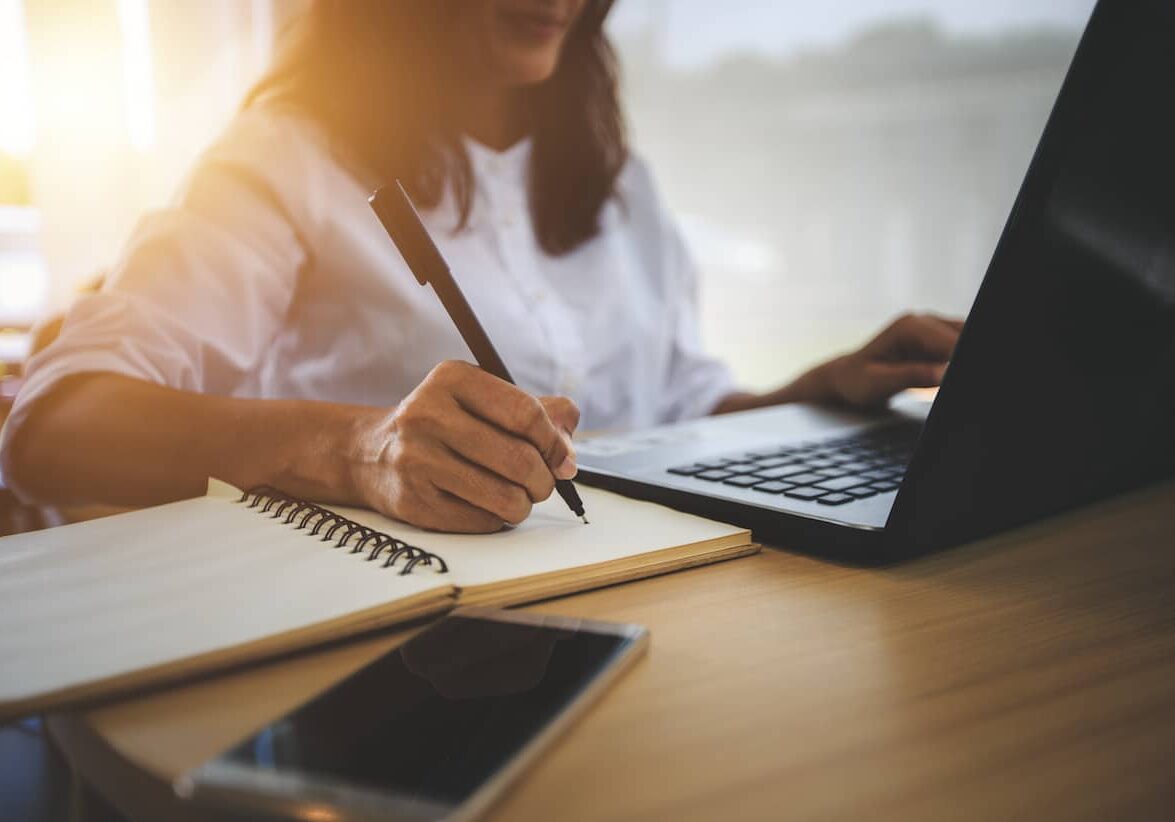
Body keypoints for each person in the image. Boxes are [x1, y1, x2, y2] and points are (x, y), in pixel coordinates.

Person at [0, 0, 962, 533]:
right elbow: (53, 426)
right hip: (398, 660)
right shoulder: (283, 158)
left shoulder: (618, 183)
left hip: (649, 608)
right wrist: (359, 449)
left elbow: (670, 408)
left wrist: (822, 389)